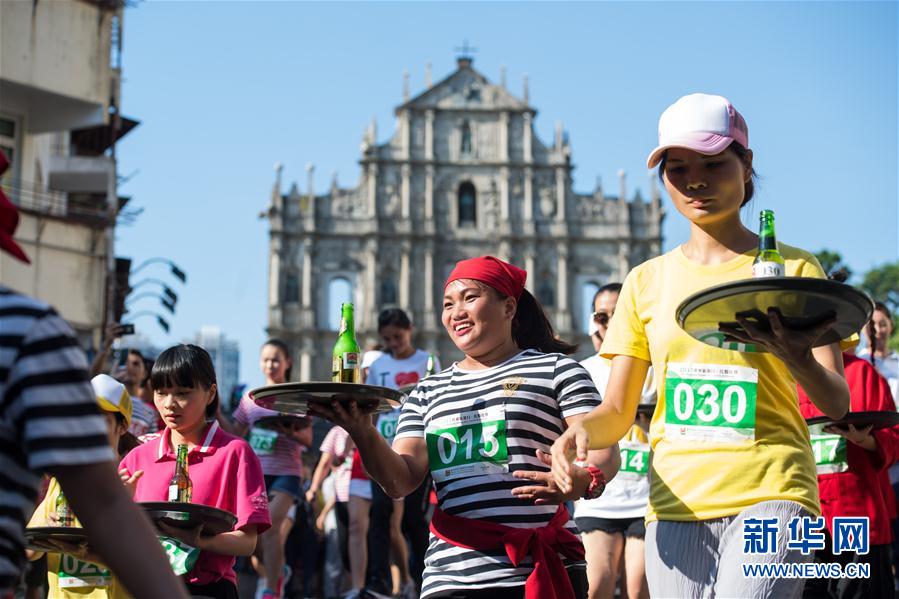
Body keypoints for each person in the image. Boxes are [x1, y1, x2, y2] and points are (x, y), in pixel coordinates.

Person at [551, 93, 851, 598]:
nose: (695, 180)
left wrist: (794, 355)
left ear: (746, 164)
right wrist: (574, 433)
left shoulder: (796, 271)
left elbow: (837, 402)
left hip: (776, 492)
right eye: (678, 167)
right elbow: (619, 410)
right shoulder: (645, 281)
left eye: (714, 164)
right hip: (674, 504)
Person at [311, 255, 620, 599]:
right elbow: (400, 480)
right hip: (452, 576)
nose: (456, 311)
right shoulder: (426, 392)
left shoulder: (559, 370)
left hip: (539, 567)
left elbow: (604, 451)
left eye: (470, 297)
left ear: (508, 307)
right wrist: (362, 430)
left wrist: (579, 481)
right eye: (448, 303)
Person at [0, 149, 187, 598]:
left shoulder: (29, 336)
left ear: (123, 425)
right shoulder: (29, 333)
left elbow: (105, 508)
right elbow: (102, 506)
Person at [119, 344, 272, 598]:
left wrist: (200, 541)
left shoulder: (235, 453)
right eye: (161, 392)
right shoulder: (137, 458)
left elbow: (247, 542)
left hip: (208, 590)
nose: (169, 404)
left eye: (182, 393)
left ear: (210, 393)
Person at [25, 375, 142, 598]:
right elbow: (29, 552)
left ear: (123, 426)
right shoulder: (63, 480)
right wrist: (44, 534)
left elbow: (147, 561)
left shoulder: (135, 479)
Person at [798, 352, 899, 598]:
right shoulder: (779, 375)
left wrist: (868, 440)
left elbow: (895, 439)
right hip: (800, 526)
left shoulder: (861, 372)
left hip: (857, 523)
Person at [576, 283, 654, 599]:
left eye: (615, 314)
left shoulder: (655, 366)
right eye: (600, 316)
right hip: (600, 497)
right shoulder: (583, 371)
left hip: (648, 497)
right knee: (598, 585)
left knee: (639, 588)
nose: (608, 322)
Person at [217, 339, 311, 599]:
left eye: (276, 359)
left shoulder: (295, 396)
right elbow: (236, 432)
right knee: (254, 538)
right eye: (266, 359)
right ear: (260, 363)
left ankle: (270, 588)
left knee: (270, 531)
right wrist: (214, 410)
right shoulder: (251, 399)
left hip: (287, 474)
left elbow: (308, 440)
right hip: (256, 473)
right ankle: (278, 572)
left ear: (287, 362)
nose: (271, 364)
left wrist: (289, 431)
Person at [365, 308, 440, 598]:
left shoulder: (427, 361)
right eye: (387, 338)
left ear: (410, 329)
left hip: (417, 447)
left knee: (413, 518)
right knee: (380, 514)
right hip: (383, 445)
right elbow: (370, 404)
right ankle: (378, 580)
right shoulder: (378, 363)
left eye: (398, 336)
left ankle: (425, 580)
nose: (393, 343)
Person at [857, 302, 898, 402]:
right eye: (871, 325)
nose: (877, 330)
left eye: (883, 324)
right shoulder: (858, 363)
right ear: (862, 329)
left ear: (891, 325)